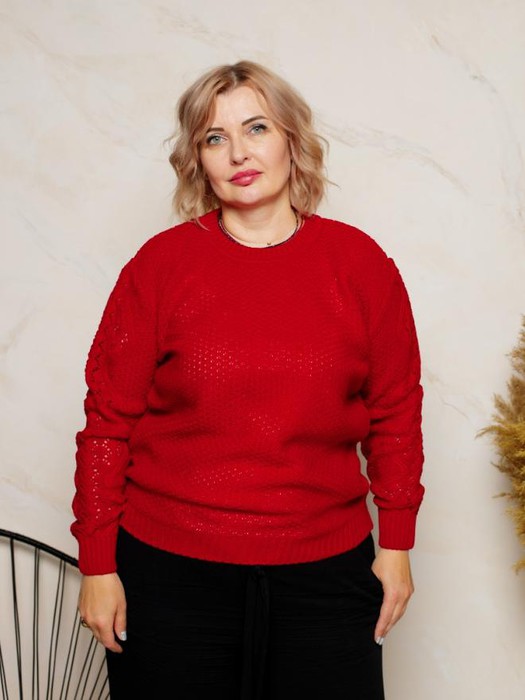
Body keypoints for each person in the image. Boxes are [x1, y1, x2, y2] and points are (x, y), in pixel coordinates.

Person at [71, 60, 424, 700]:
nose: (238, 152)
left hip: (326, 571)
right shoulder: (160, 267)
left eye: (256, 128)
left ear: (291, 137)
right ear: (197, 160)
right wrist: (97, 563)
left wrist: (396, 544)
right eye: (215, 137)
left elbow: (395, 412)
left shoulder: (360, 266)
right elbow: (107, 426)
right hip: (169, 573)